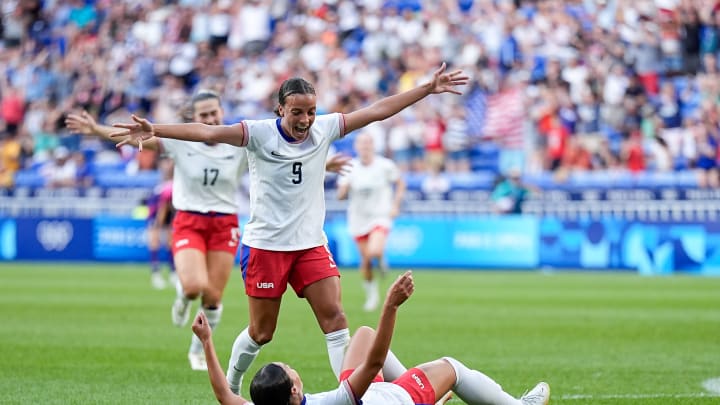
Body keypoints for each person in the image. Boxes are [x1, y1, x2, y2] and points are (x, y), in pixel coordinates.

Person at [110, 63, 469, 394]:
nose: (306, 119)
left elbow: (377, 110)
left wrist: (426, 88)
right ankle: (231, 388)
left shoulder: (325, 127)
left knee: (336, 321)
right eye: (298, 111)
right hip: (266, 246)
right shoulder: (259, 134)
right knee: (262, 332)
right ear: (280, 109)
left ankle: (352, 397)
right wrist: (154, 129)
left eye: (311, 111)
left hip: (310, 244)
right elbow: (208, 132)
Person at [66, 90, 352, 372]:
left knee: (213, 297)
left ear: (221, 113)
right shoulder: (181, 143)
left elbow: (279, 160)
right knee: (193, 287)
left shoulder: (237, 144)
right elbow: (134, 137)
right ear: (195, 118)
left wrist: (324, 164)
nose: (211, 118)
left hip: (224, 223)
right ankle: (182, 296)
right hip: (190, 219)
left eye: (214, 113)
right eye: (204, 115)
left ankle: (196, 350)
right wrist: (95, 129)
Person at [191, 271, 551, 405]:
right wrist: (391, 306)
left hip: (367, 397)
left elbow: (225, 395)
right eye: (289, 370)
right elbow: (377, 363)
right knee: (451, 368)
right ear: (295, 391)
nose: (292, 367)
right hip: (389, 401)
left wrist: (208, 343)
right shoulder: (332, 402)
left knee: (361, 336)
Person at [336, 132, 406, 312]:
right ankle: (371, 293)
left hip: (380, 215)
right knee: (365, 260)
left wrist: (395, 205)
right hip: (358, 219)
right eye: (362, 144)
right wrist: (344, 190)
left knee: (373, 251)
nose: (365, 147)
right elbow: (340, 195)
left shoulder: (385, 165)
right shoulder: (350, 167)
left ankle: (380, 257)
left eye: (368, 144)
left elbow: (399, 183)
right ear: (357, 147)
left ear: (373, 146)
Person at [146, 157, 177, 290]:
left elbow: (168, 207)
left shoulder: (175, 184)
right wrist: (157, 223)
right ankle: (156, 274)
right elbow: (161, 207)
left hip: (169, 213)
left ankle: (173, 273)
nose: (167, 166)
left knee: (170, 242)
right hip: (155, 213)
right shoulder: (161, 186)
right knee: (154, 241)